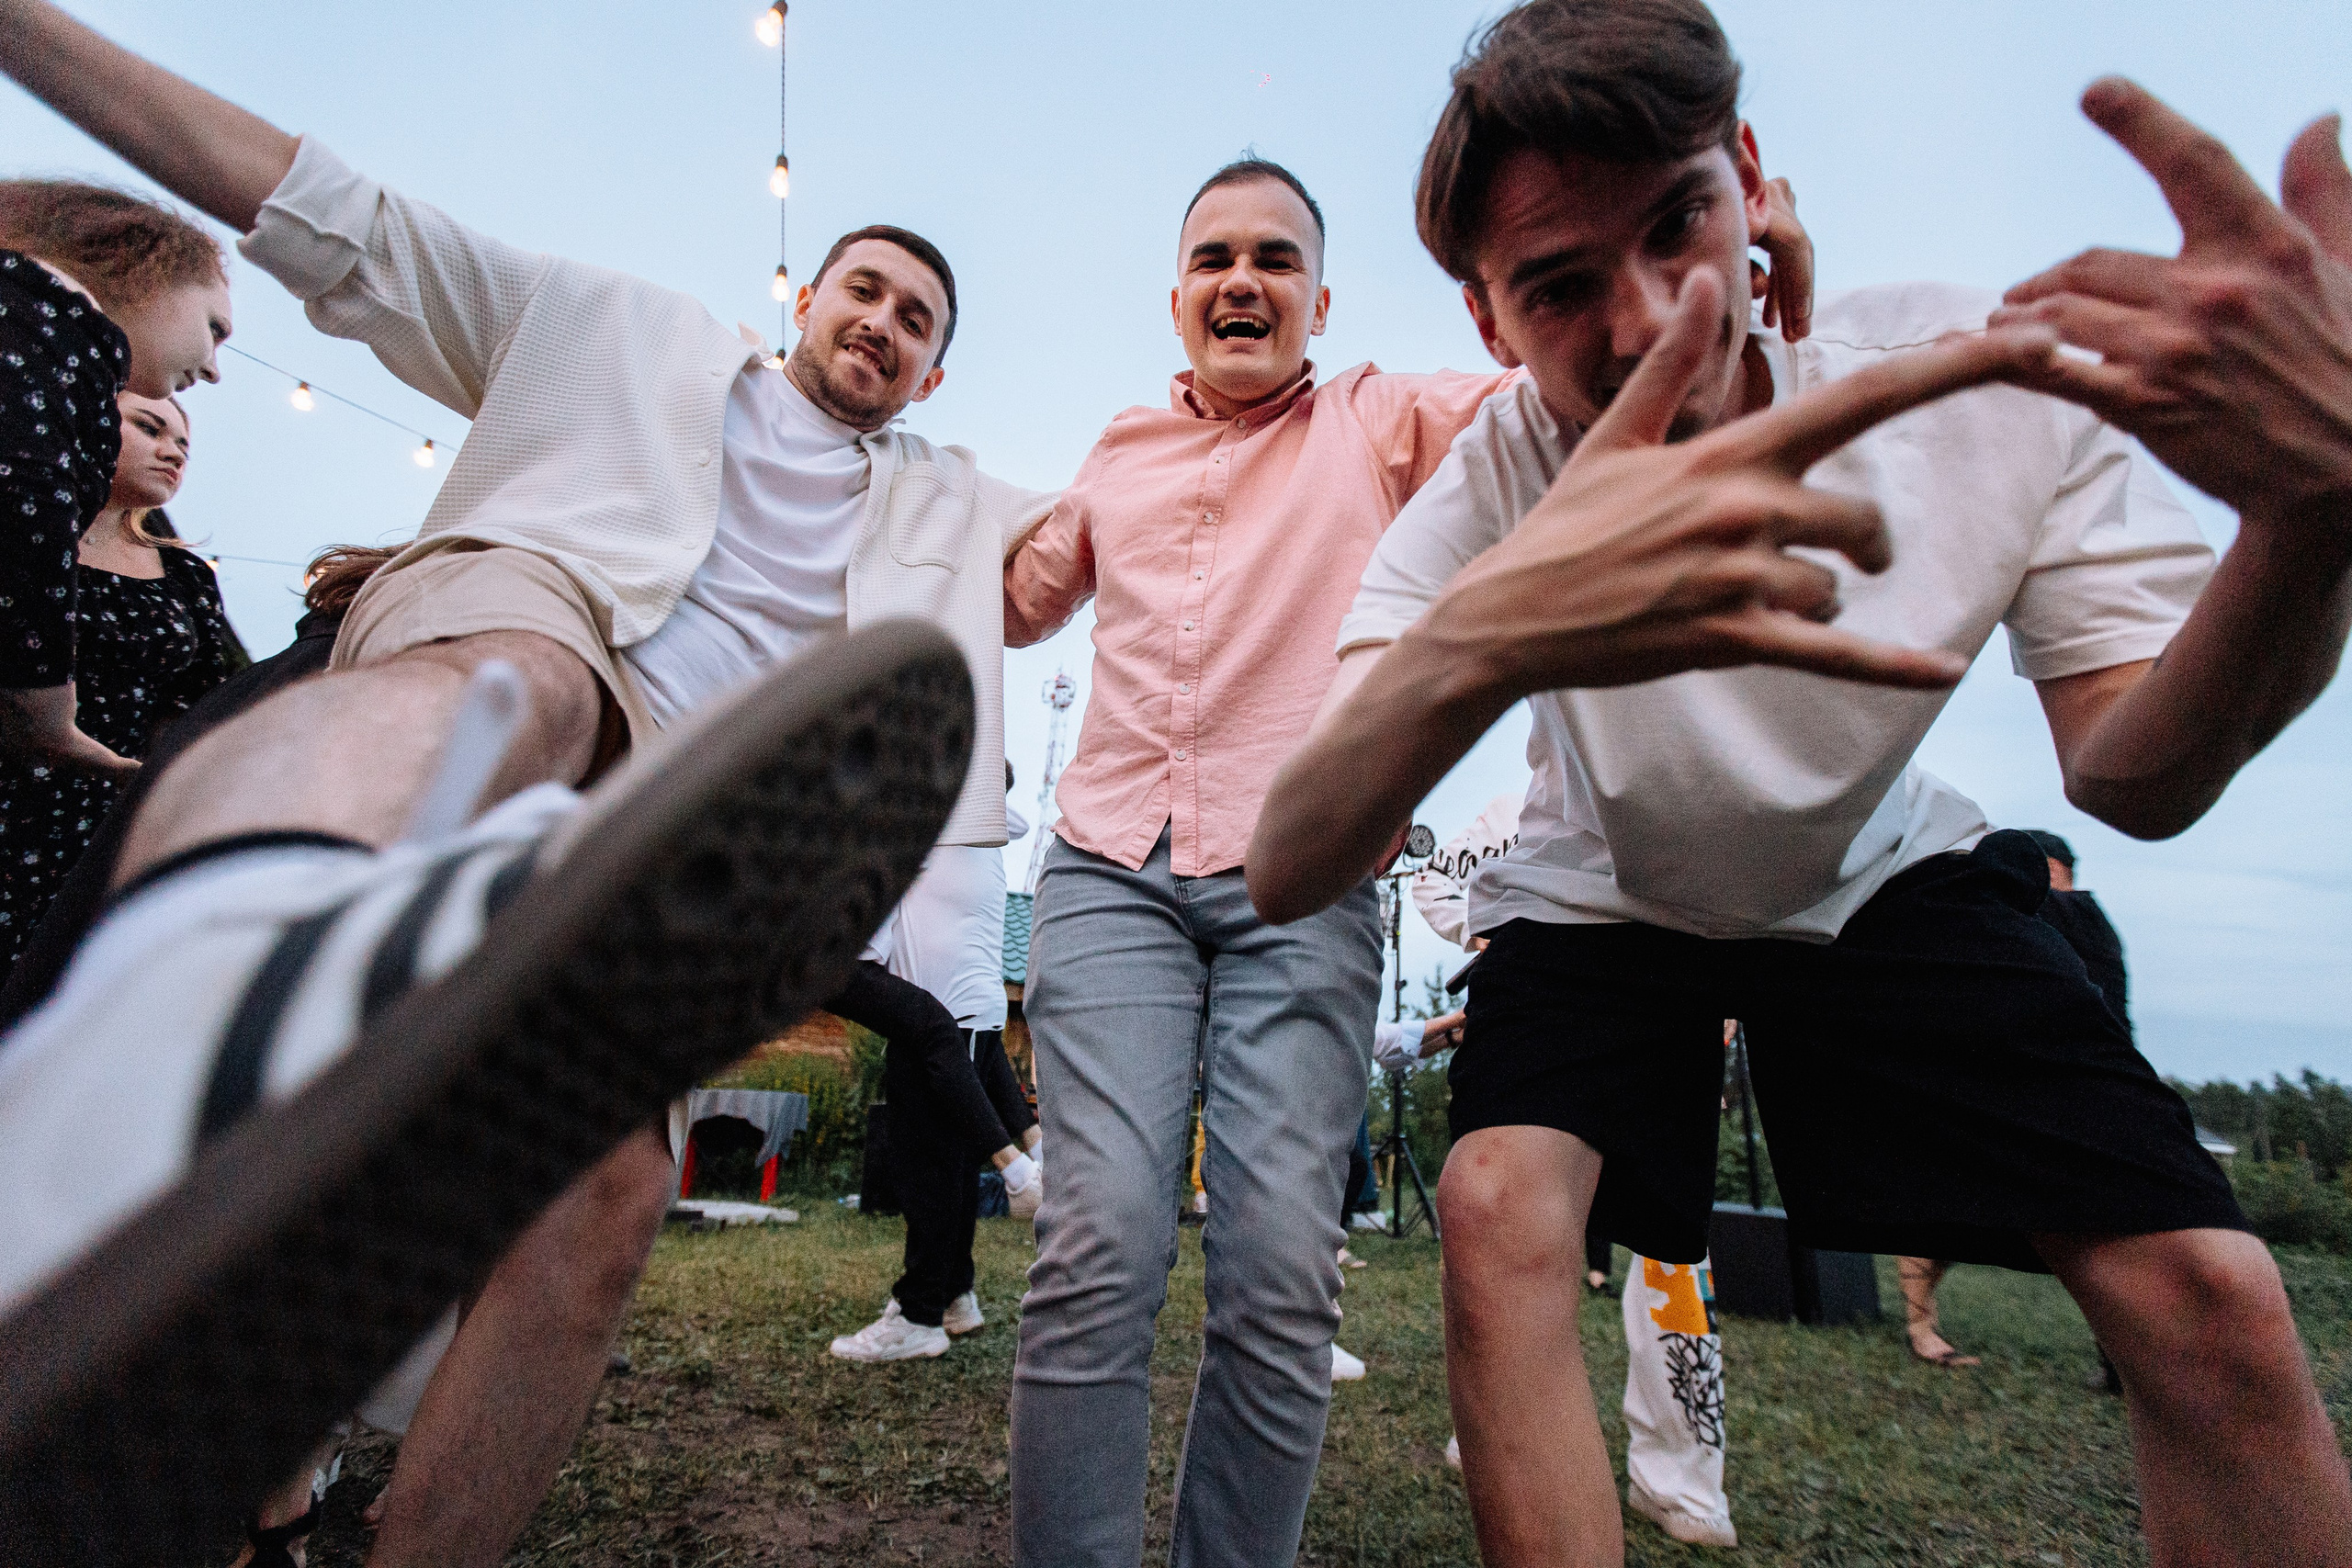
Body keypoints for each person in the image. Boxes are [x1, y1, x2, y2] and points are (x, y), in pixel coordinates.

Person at [1247, 1, 2352, 1560]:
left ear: (1748, 178)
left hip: (1874, 867)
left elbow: (2137, 776)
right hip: (1606, 888)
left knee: (2213, 1291)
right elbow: (1291, 860)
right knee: (1494, 1207)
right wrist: (1484, 640)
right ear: (1489, 322)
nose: (1644, 324)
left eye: (1677, 225)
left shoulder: (1975, 380)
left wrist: (2310, 526)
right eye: (1559, 287)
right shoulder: (1490, 485)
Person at [0, 6, 1038, 1563]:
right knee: (524, 692)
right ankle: (173, 1036)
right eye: (866, 289)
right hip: (529, 619)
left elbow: (1170, 509)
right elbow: (319, 208)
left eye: (917, 319)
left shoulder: (949, 504)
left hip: (661, 844)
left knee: (610, 1197)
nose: (884, 322)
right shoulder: (616, 325)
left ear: (936, 372)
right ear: (806, 296)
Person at [999, 149, 1805, 1564]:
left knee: (1274, 1276)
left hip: (1298, 889)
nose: (1241, 279)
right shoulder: (1118, 450)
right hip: (1108, 868)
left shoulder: (1382, 418)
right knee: (1097, 1248)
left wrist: (1726, 297)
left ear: (1319, 297)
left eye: (1274, 259)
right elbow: (1015, 601)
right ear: (1177, 295)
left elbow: (1571, 396)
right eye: (1213, 259)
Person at [1419, 794, 1736, 1548]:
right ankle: (1502, 1427)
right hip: (1552, 1006)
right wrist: (1491, 930)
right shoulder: (1519, 812)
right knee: (1513, 1234)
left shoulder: (1692, 775)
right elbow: (1437, 879)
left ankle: (1681, 1470)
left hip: (1674, 988)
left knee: (1672, 1254)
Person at [1, 389, 240, 973]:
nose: (173, 452)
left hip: (104, 827)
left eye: (183, 444)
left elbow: (196, 705)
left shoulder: (185, 575)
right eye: (150, 429)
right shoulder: (28, 532)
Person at [0, 178, 232, 780]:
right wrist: (46, 714)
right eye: (215, 327)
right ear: (150, 269)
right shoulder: (46, 321)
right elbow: (24, 495)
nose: (212, 369)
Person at [831, 770, 1043, 1364]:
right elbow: (1007, 809)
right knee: (948, 1167)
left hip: (935, 1012)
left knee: (928, 1172)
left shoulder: (935, 834)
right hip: (971, 1011)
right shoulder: (983, 838)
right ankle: (955, 1295)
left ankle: (919, 1313)